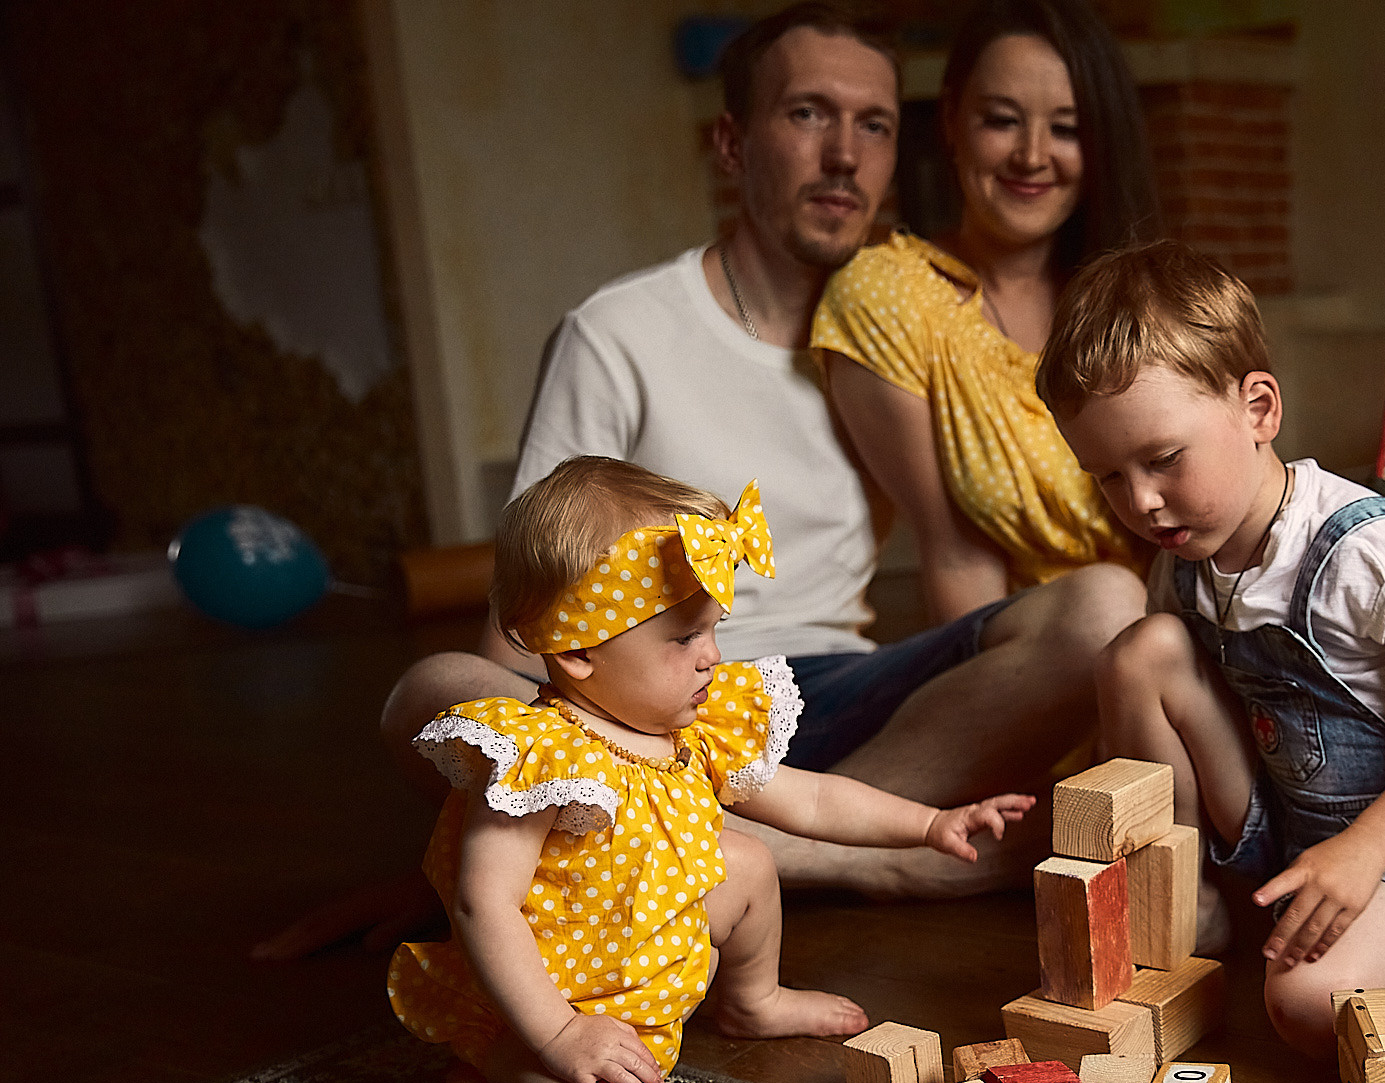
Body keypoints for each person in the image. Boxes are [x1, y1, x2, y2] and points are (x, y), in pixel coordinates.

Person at [254, 3, 1144, 959]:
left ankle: (730, 854)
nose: (843, 155)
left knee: (1099, 611)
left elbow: (957, 553)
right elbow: (514, 641)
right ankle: (830, 856)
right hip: (635, 711)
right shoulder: (621, 334)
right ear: (732, 141)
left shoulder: (899, 324)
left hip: (830, 700)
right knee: (429, 687)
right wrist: (479, 842)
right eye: (807, 115)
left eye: (873, 125)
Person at [390, 457, 1032, 1083]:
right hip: (541, 1005)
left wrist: (930, 823)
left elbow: (814, 802)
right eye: (682, 638)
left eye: (712, 629)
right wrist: (560, 1033)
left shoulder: (686, 729)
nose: (712, 657)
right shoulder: (543, 758)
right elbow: (483, 902)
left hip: (640, 953)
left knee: (748, 861)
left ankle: (751, 1001)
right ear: (577, 652)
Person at [1040, 242, 1385, 1060]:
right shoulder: (1183, 557)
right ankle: (1190, 898)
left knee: (1296, 1004)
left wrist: (1365, 850)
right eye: (1108, 477)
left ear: (1259, 409)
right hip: (1282, 822)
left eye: (1162, 459)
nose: (1142, 501)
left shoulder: (1366, 550)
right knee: (1139, 652)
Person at [811, 0, 1155, 623]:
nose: (1031, 155)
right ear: (950, 120)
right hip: (1038, 650)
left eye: (1068, 129)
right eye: (1002, 121)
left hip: (1187, 635)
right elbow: (955, 557)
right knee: (1107, 607)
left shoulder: (1139, 298)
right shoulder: (888, 297)